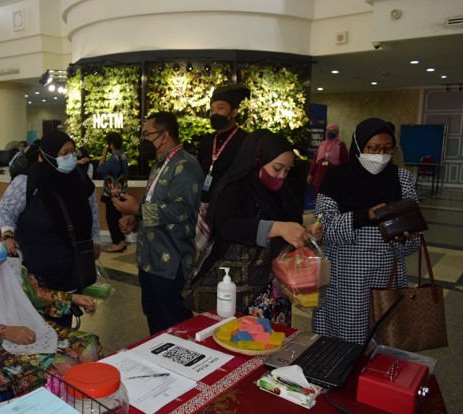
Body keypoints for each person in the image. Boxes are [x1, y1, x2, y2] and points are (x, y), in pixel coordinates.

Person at [0, 217, 101, 389]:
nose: (1, 244)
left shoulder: (12, 266)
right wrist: (5, 331)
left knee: (89, 343)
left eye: (0, 237)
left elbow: (38, 295)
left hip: (29, 327)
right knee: (60, 367)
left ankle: (89, 395)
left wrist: (73, 298)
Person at [185, 130, 321, 324]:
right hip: (237, 288)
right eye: (277, 168)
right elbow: (227, 225)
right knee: (239, 336)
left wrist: (303, 232)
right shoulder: (233, 187)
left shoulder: (283, 192)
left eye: (287, 171)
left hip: (275, 288)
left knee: (274, 337)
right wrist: (276, 228)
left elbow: (291, 223)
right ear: (258, 159)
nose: (281, 176)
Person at [313, 118, 421, 344]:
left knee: (385, 333)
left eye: (387, 149)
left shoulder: (401, 178)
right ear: (358, 145)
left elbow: (415, 234)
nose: (380, 155)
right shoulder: (335, 178)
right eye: (373, 148)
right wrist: (364, 216)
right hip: (345, 276)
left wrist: (404, 238)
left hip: (388, 273)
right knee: (345, 337)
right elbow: (324, 228)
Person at [0, 131, 100, 327]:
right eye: (63, 153)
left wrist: (95, 241)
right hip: (35, 272)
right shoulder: (28, 181)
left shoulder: (81, 179)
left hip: (71, 269)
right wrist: (8, 235)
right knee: (34, 327)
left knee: (62, 323)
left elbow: (92, 213)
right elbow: (5, 210)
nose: (70, 157)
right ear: (45, 156)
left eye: (72, 151)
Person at [113, 111, 203, 335]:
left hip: (171, 263)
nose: (143, 140)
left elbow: (181, 211)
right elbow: (154, 205)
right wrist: (135, 219)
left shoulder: (186, 165)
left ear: (164, 135)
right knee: (155, 322)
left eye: (147, 134)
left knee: (177, 325)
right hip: (149, 260)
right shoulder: (159, 165)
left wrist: (138, 209)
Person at [195, 84, 251, 251]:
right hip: (205, 205)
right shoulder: (206, 141)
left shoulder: (246, 141)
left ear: (234, 112)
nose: (214, 113)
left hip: (232, 209)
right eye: (212, 109)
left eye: (220, 108)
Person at [97, 132, 128, 253]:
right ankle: (121, 241)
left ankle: (116, 243)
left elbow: (100, 168)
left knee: (111, 218)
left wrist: (104, 154)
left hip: (112, 193)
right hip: (121, 191)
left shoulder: (114, 158)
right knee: (117, 216)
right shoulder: (123, 155)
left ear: (111, 144)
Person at [306, 122, 348, 195]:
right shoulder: (322, 144)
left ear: (337, 133)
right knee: (318, 197)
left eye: (333, 131)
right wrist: (311, 174)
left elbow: (345, 163)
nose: (330, 132)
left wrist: (343, 177)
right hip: (319, 177)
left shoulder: (341, 145)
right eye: (328, 130)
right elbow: (315, 161)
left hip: (333, 178)